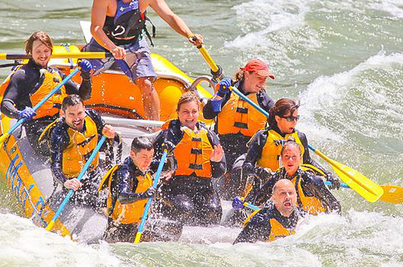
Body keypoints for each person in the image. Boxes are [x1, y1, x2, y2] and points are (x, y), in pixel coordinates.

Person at [86, 0, 205, 120]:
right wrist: (113, 48)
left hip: (133, 43)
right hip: (105, 43)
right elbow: (95, 28)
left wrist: (189, 34)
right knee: (85, 73)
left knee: (147, 85)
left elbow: (170, 16)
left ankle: (154, 127)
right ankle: (73, 116)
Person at [1, 31, 93, 147]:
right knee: (61, 138)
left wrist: (86, 76)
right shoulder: (22, 75)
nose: (43, 55)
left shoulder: (56, 74)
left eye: (46, 51)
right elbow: (5, 104)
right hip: (37, 130)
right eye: (38, 51)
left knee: (92, 119)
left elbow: (84, 96)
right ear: (30, 52)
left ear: (51, 51)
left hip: (58, 123)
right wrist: (19, 114)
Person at [152, 91, 226, 229]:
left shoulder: (210, 136)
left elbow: (218, 173)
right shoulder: (168, 135)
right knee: (184, 209)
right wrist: (166, 169)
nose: (190, 116)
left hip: (203, 188)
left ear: (199, 112)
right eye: (185, 112)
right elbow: (149, 163)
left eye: (194, 111)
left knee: (212, 211)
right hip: (175, 187)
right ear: (178, 113)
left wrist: (215, 162)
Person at [202, 58, 275, 197]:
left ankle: (234, 203)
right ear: (247, 74)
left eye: (264, 79)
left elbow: (278, 125)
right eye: (259, 77)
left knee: (238, 170)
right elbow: (208, 114)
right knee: (216, 171)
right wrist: (219, 94)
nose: (262, 82)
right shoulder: (228, 91)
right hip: (222, 147)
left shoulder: (264, 101)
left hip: (248, 151)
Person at [231, 140, 340, 224]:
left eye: (294, 157)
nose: (290, 160)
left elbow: (335, 205)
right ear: (282, 159)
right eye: (286, 157)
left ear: (300, 159)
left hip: (314, 222)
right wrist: (244, 204)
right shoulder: (277, 178)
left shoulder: (310, 180)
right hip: (296, 220)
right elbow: (259, 200)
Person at [41, 95, 119, 206]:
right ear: (63, 114)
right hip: (74, 180)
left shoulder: (92, 116)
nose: (77, 118)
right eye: (71, 114)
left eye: (79, 113)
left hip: (94, 171)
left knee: (115, 190)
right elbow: (55, 165)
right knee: (99, 200)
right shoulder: (59, 134)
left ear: (84, 109)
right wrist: (65, 182)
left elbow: (108, 134)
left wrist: (110, 132)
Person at [242, 98, 313, 186]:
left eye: (296, 118)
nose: (294, 123)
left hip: (293, 188)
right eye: (290, 118)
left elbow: (308, 162)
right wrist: (259, 171)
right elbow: (246, 166)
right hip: (267, 186)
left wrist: (326, 174)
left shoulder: (300, 137)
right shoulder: (262, 137)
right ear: (278, 118)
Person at [99, 136, 157, 243]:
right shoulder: (124, 172)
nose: (148, 161)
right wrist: (144, 195)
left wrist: (170, 157)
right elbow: (122, 197)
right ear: (132, 154)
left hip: (137, 223)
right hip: (119, 227)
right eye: (144, 157)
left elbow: (168, 167)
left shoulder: (142, 165)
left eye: (151, 156)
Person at [234, 179, 304, 244]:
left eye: (290, 193)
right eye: (283, 193)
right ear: (274, 198)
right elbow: (238, 247)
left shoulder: (303, 216)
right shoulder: (261, 222)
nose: (287, 197)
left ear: (296, 196)